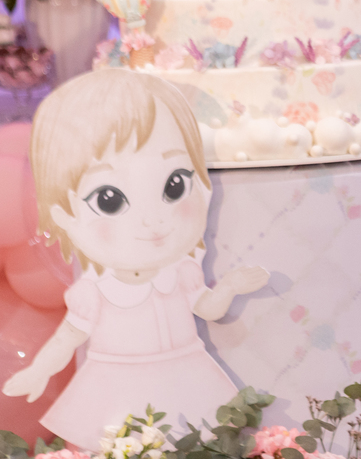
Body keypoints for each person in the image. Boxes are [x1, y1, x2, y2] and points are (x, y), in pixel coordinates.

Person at [1, 69, 268, 449]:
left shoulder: (182, 272)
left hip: (184, 374)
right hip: (116, 384)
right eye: (109, 200)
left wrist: (228, 287)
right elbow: (68, 338)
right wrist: (39, 371)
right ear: (63, 216)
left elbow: (207, 308)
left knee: (192, 442)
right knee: (123, 442)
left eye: (175, 185)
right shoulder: (95, 292)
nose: (152, 219)